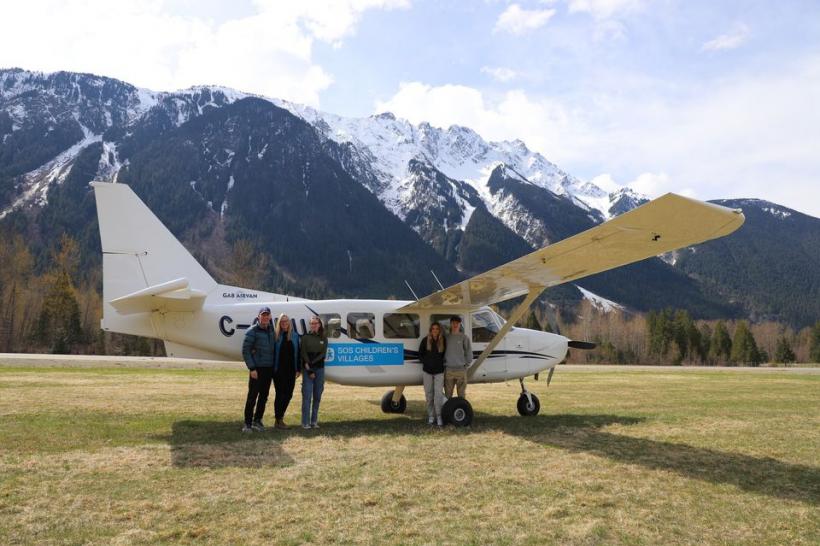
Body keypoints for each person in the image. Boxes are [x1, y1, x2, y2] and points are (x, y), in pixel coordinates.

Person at [241, 307, 276, 432]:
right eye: (263, 315)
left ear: (270, 317)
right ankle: (247, 423)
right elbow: (245, 351)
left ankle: (257, 420)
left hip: (268, 369)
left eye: (267, 315)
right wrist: (252, 368)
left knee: (264, 396)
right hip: (257, 369)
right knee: (252, 396)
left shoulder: (272, 330)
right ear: (258, 317)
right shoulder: (252, 331)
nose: (265, 317)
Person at [300, 315, 328, 429]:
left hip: (319, 369)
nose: (313, 325)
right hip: (307, 370)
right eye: (312, 323)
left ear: (319, 325)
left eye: (315, 323)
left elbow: (323, 354)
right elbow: (303, 353)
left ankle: (314, 421)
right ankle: (305, 422)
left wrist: (313, 364)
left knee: (317, 396)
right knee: (307, 396)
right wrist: (309, 368)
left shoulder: (324, 338)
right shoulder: (305, 338)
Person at [273, 313, 300, 429]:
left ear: (289, 323)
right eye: (282, 321)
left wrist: (298, 369)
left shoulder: (294, 336)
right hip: (278, 370)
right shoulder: (275, 336)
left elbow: (298, 353)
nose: (284, 323)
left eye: (286, 321)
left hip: (291, 370)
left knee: (289, 394)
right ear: (279, 323)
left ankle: (280, 418)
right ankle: (278, 420)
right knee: (280, 394)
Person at [418, 322, 446, 426]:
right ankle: (431, 416)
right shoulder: (425, 340)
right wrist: (426, 362)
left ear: (439, 330)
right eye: (433, 329)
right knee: (429, 395)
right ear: (430, 330)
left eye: (437, 329)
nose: (435, 330)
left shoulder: (443, 340)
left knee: (438, 395)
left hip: (439, 372)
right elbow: (420, 354)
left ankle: (439, 416)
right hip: (427, 372)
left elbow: (444, 354)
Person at [444, 315, 472, 399]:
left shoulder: (464, 337)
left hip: (461, 370)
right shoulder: (446, 337)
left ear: (460, 324)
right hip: (449, 370)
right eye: (453, 323)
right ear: (450, 324)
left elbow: (468, 352)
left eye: (457, 323)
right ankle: (448, 408)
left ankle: (461, 406)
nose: (455, 325)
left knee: (461, 394)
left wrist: (466, 364)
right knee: (448, 394)